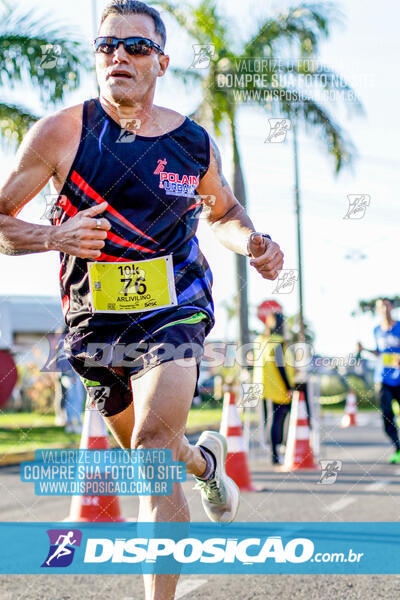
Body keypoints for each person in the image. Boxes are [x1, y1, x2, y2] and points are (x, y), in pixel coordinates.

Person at [0, 2, 284, 598]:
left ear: (161, 61)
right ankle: (206, 465)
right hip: (94, 324)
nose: (118, 57)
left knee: (152, 455)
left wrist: (251, 241)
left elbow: (224, 212)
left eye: (134, 47)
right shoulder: (61, 132)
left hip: (175, 305)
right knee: (148, 446)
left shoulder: (190, 143)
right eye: (106, 46)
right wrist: (55, 235)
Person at [359, 298, 400, 464]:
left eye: (386, 305)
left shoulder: (399, 327)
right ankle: (398, 448)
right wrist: (364, 350)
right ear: (377, 310)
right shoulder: (376, 330)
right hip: (383, 378)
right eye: (380, 307)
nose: (384, 309)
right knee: (387, 416)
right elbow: (379, 352)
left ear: (391, 307)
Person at [253, 301, 294, 464]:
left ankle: (275, 452)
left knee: (270, 420)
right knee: (278, 420)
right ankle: (276, 453)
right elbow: (280, 365)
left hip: (261, 386)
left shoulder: (259, 340)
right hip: (277, 386)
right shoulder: (277, 341)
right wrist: (289, 386)